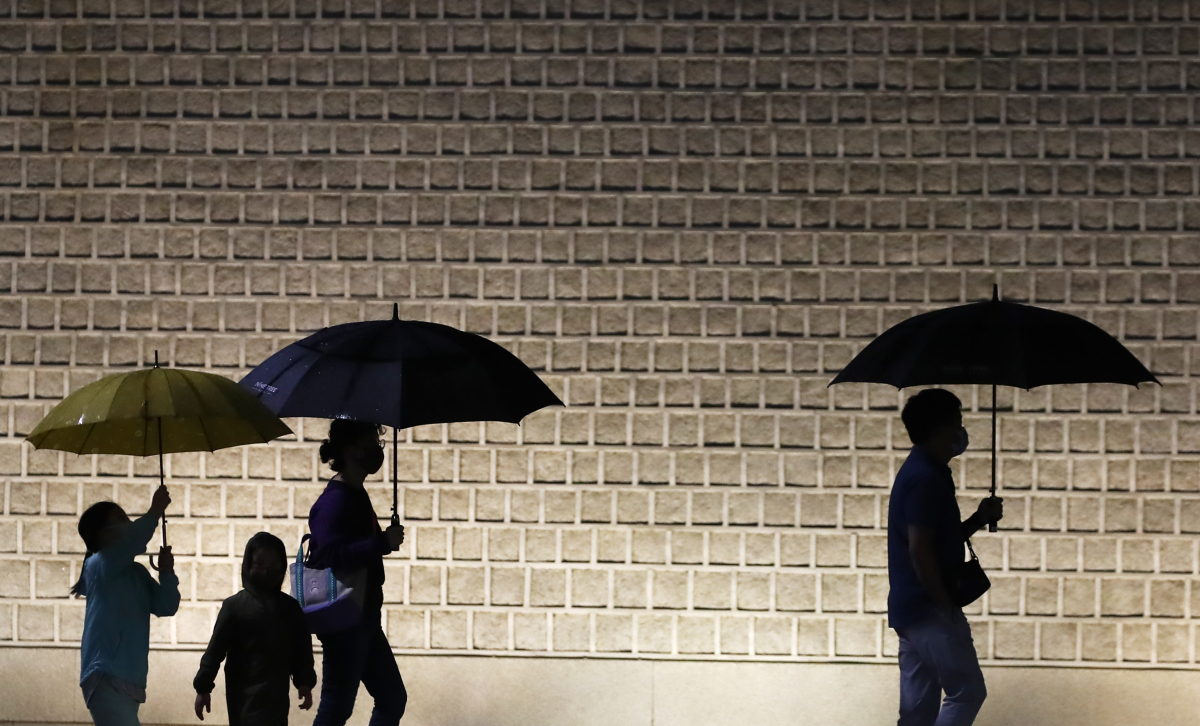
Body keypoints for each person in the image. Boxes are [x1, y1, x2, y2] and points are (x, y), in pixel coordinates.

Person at [888, 389, 1004, 726]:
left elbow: (933, 539)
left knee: (917, 713)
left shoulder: (920, 470)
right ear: (940, 429)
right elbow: (920, 548)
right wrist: (944, 605)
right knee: (966, 692)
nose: (962, 432)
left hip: (910, 608)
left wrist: (977, 520)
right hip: (930, 609)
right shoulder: (927, 478)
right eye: (958, 423)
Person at [308, 419, 407, 726]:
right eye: (371, 445)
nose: (376, 452)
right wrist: (380, 542)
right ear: (350, 449)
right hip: (345, 619)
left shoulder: (354, 493)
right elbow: (327, 554)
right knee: (337, 708)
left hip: (361, 615)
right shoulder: (334, 501)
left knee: (391, 698)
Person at [73, 485, 180, 726]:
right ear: (104, 535)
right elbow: (133, 538)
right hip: (105, 674)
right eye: (122, 521)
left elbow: (166, 605)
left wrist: (167, 573)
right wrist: (154, 511)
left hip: (128, 678)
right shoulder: (98, 565)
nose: (130, 525)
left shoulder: (137, 573)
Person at [193, 531, 317, 726]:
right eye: (260, 565)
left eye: (272, 565)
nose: (266, 572)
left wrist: (305, 682)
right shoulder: (235, 607)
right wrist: (203, 688)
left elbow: (301, 649)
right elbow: (215, 651)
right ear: (249, 565)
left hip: (276, 698)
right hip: (243, 697)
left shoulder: (289, 608)